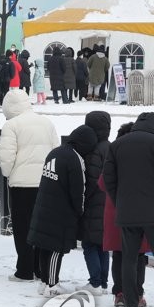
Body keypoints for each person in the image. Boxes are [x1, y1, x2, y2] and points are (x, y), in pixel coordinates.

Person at [103, 112, 154, 307]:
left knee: (128, 259)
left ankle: (131, 305)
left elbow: (108, 178)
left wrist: (121, 201)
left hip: (127, 212)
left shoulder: (118, 145)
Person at [0, 88, 60, 282]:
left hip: (21, 185)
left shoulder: (11, 126)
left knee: (22, 227)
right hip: (45, 182)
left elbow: (7, 157)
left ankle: (24, 270)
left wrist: (8, 174)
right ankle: (40, 268)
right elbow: (55, 150)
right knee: (41, 227)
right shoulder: (46, 122)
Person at [31, 125, 97, 297]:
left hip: (44, 205)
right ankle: (52, 285)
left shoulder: (55, 152)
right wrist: (79, 210)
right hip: (60, 211)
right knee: (55, 249)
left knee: (44, 247)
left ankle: (45, 282)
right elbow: (78, 189)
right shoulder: (75, 159)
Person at [102, 122, 148, 307]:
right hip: (139, 213)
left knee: (119, 255)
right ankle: (136, 293)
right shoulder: (144, 158)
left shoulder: (114, 155)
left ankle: (120, 293)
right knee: (138, 256)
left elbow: (102, 183)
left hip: (115, 212)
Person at [80, 111, 112, 295]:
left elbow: (91, 180)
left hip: (94, 203)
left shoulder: (93, 151)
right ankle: (104, 282)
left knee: (89, 243)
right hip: (109, 202)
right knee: (103, 244)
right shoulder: (111, 147)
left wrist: (84, 198)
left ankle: (95, 282)